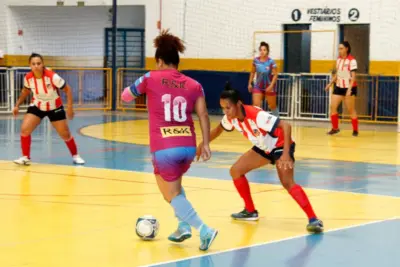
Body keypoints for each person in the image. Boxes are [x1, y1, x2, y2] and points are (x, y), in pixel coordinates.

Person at [121, 30, 218, 251]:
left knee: (170, 194)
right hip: (187, 147)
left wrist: (132, 90)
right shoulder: (194, 84)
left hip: (164, 147)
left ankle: (205, 230)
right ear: (177, 61)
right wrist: (206, 143)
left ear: (159, 61)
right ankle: (183, 226)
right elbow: (203, 115)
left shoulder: (150, 77)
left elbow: (126, 96)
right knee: (173, 186)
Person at [196, 82, 323, 234]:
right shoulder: (230, 119)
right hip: (263, 148)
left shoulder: (257, 115)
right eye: (223, 108)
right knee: (236, 171)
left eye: (228, 107)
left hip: (280, 145)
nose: (226, 111)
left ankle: (314, 219)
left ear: (238, 104)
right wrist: (203, 143)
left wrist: (286, 154)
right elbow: (217, 130)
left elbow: (286, 126)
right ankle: (250, 211)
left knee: (287, 182)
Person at [13, 53, 85, 165]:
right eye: (33, 64)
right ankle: (25, 157)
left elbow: (68, 89)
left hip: (54, 107)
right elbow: (26, 91)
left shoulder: (52, 77)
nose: (36, 66)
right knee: (25, 129)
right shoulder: (28, 78)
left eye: (38, 63)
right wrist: (17, 105)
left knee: (65, 134)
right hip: (37, 105)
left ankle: (76, 155)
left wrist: (70, 108)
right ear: (30, 65)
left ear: (43, 64)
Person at [325, 41, 359, 136]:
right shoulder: (339, 60)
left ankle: (355, 130)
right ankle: (335, 128)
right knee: (333, 107)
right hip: (339, 87)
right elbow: (339, 74)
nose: (339, 50)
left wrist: (349, 89)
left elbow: (353, 77)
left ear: (346, 48)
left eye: (341, 48)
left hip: (349, 87)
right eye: (339, 48)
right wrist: (330, 83)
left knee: (351, 110)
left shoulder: (352, 60)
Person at [248, 41, 279, 116]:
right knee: (256, 106)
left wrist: (271, 86)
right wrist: (249, 83)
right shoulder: (255, 60)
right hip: (258, 86)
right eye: (261, 50)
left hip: (269, 86)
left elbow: (275, 75)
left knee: (272, 106)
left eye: (264, 50)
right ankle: (257, 125)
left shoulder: (271, 61)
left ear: (267, 51)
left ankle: (277, 123)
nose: (262, 51)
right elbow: (252, 72)